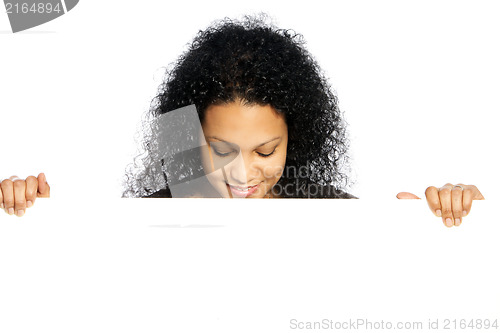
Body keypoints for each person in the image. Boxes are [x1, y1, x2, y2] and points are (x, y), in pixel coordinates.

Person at [114, 16, 481, 226]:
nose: (243, 175)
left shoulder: (335, 217)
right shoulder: (147, 220)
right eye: (222, 150)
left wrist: (454, 221)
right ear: (193, 136)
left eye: (266, 151)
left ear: (296, 133)